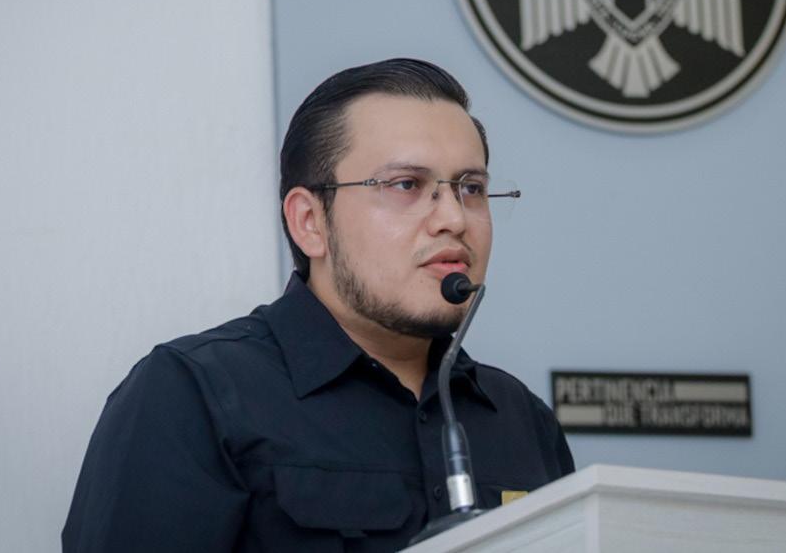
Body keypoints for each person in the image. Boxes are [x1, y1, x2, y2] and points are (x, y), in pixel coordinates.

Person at [62, 58, 574, 551]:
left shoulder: (522, 419)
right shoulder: (193, 395)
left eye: (471, 188)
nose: (455, 219)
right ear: (310, 222)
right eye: (406, 185)